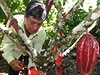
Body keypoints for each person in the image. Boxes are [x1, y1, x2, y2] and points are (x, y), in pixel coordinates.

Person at [1, 0, 47, 75]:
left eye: (39, 24)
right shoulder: (14, 23)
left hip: (29, 54)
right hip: (15, 52)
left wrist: (32, 68)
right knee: (13, 71)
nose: (35, 28)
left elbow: (35, 54)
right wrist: (11, 60)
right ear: (25, 16)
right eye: (32, 22)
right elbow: (7, 45)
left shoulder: (42, 33)